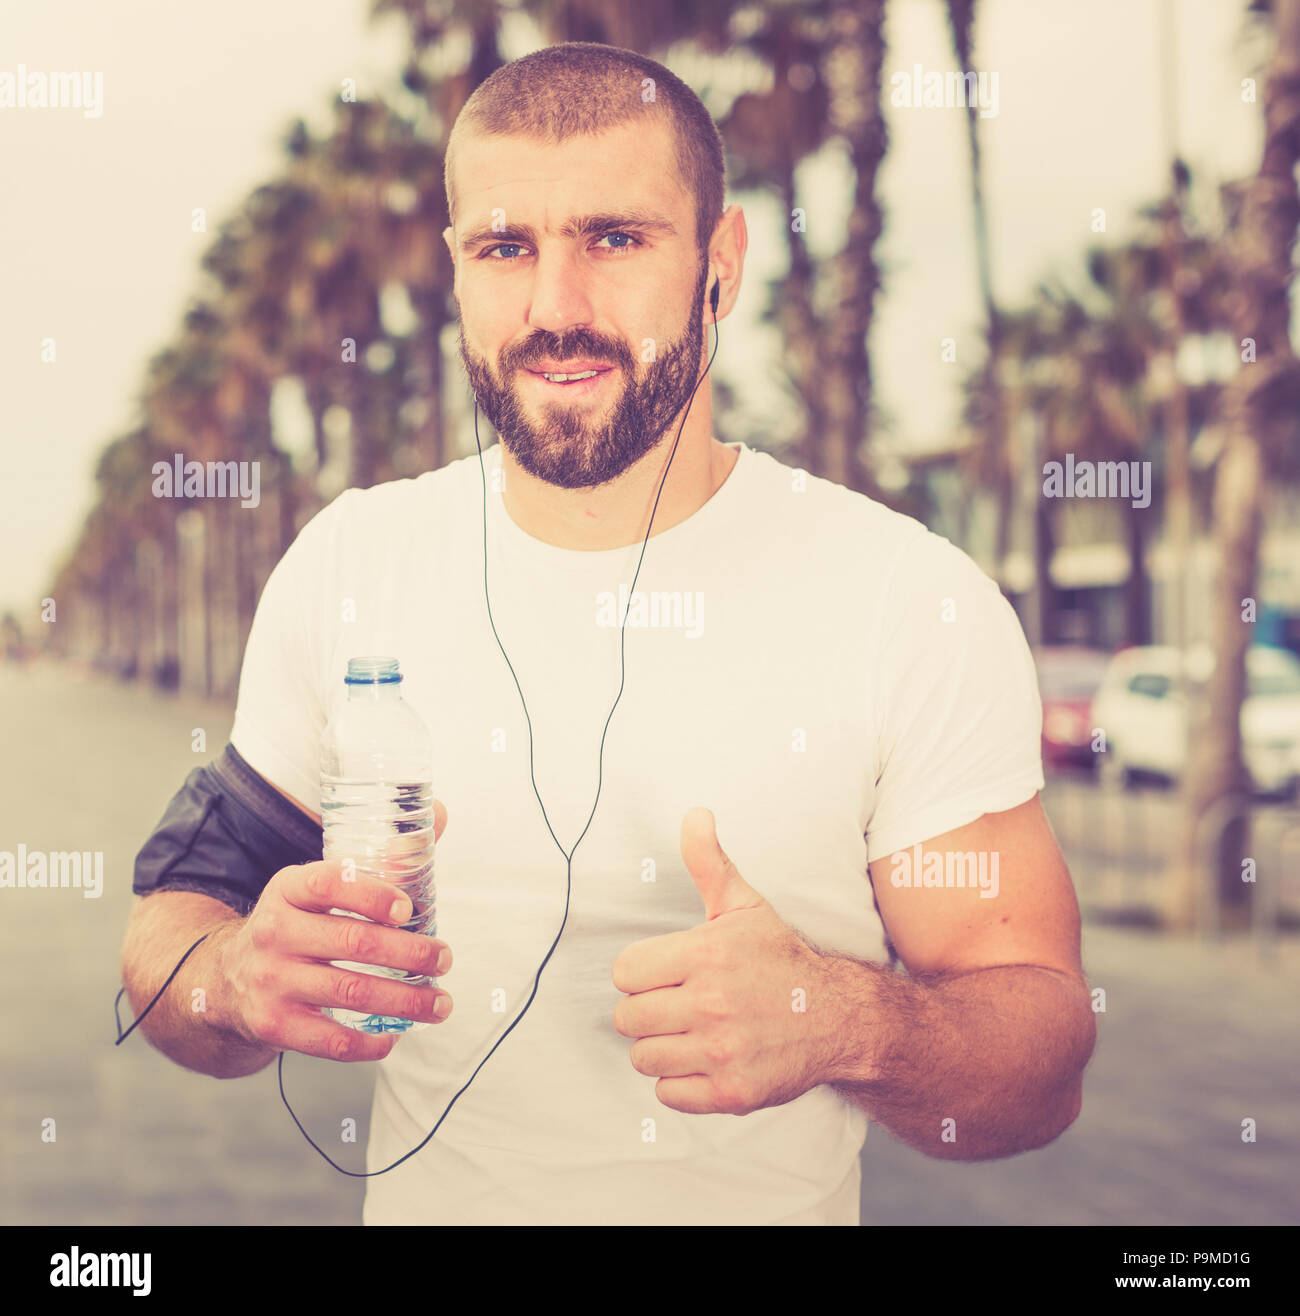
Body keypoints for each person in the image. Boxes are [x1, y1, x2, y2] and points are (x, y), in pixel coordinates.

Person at [121, 41, 1095, 1227]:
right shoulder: (352, 563)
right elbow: (175, 918)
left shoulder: (906, 598)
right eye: (504, 248)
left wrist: (847, 1017)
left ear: (719, 265)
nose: (555, 309)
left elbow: (1040, 1053)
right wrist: (233, 980)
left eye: (615, 239)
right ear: (456, 269)